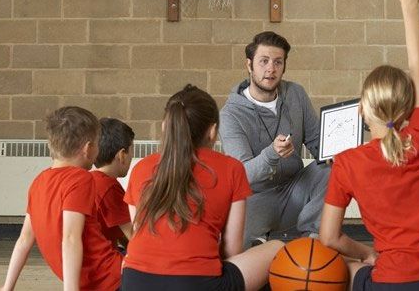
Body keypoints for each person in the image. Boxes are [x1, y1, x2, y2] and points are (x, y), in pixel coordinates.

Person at [319, 0, 419, 290]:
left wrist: (367, 254)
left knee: (349, 268)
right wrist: (410, 6)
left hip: (393, 281)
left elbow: (329, 238)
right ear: (407, 110)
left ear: (360, 109)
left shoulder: (346, 163)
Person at [122, 84, 284, 291]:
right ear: (213, 130)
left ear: (167, 125)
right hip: (197, 283)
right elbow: (231, 250)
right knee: (277, 248)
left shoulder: (141, 168)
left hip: (134, 281)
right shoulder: (231, 168)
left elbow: (137, 232)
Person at [0, 106, 122, 291]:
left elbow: (24, 239)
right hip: (111, 278)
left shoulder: (38, 181)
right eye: (97, 143)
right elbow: (70, 238)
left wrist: (6, 287)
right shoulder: (81, 178)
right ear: (88, 148)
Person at [219, 31, 330, 248]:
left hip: (294, 188)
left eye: (278, 62)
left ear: (284, 67)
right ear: (249, 65)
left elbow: (317, 143)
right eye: (264, 61)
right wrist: (271, 154)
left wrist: (337, 152)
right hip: (255, 198)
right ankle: (264, 239)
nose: (271, 68)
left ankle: (312, 238)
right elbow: (243, 174)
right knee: (233, 250)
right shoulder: (230, 115)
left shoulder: (296, 93)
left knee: (333, 170)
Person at [92, 117, 135, 250]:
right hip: (103, 261)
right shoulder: (109, 187)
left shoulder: (89, 179)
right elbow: (133, 236)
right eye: (131, 154)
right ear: (122, 155)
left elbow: (121, 232)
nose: (131, 158)